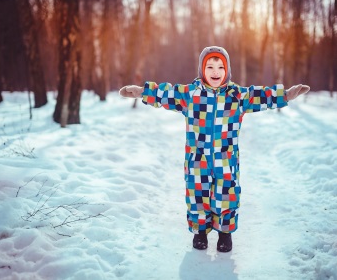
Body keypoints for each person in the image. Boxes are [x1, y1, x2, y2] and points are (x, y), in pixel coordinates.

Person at [119, 46, 310, 253]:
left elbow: (261, 96)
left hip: (226, 158)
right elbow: (165, 93)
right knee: (197, 194)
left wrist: (286, 95)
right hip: (197, 158)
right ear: (202, 70)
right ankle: (200, 232)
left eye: (220, 66)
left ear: (227, 70)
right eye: (210, 66)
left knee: (226, 194)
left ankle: (224, 233)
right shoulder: (190, 94)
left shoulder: (237, 96)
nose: (215, 71)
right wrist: (141, 92)